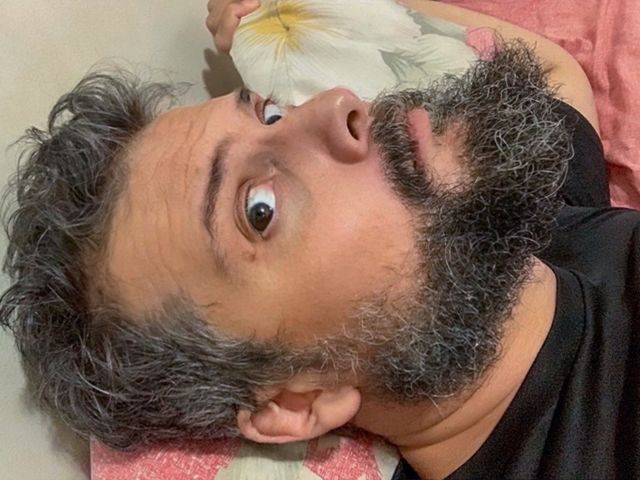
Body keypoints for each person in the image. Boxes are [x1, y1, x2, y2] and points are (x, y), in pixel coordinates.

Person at [1, 1, 638, 479]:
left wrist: (301, 9)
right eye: (258, 209)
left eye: (269, 111)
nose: (338, 103)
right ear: (293, 401)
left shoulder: (508, 232)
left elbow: (553, 73)